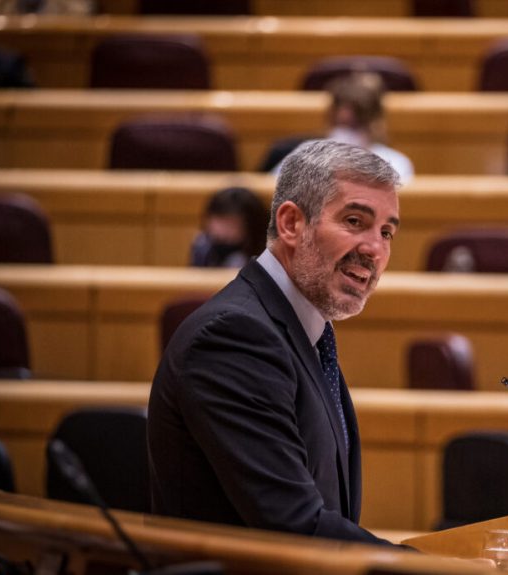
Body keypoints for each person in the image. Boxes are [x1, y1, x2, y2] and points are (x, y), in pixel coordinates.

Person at [148, 140, 401, 545]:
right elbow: (295, 526)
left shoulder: (302, 332)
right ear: (291, 224)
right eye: (355, 221)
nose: (375, 249)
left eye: (386, 232)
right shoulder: (234, 337)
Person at [260, 73, 414, 184]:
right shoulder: (304, 156)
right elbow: (273, 190)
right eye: (341, 125)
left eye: (354, 126)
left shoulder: (396, 163)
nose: (346, 136)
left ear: (374, 124)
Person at [189, 186, 268, 268]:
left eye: (231, 223)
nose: (222, 229)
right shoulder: (203, 246)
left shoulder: (267, 251)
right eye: (219, 219)